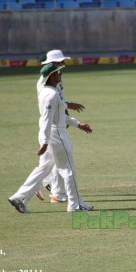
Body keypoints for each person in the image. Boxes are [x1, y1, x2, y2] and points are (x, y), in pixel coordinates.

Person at [8, 63, 93, 213]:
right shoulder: (51, 94)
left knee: (43, 169)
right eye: (57, 73)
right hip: (56, 135)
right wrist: (45, 142)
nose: (60, 75)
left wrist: (77, 124)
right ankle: (75, 204)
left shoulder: (50, 92)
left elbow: (59, 115)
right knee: (69, 170)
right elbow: (47, 120)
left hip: (54, 134)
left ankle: (20, 197)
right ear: (51, 76)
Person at [35, 49, 85, 203]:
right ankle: (47, 189)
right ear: (52, 63)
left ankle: (53, 190)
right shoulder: (45, 81)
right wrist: (66, 113)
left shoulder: (56, 79)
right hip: (52, 124)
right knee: (50, 163)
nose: (63, 64)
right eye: (60, 62)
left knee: (53, 162)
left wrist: (68, 116)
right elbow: (50, 106)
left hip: (59, 121)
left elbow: (60, 101)